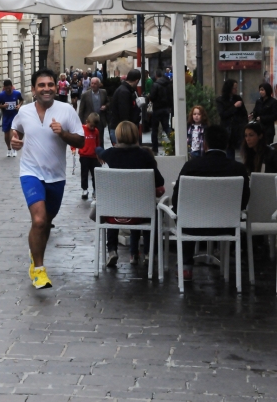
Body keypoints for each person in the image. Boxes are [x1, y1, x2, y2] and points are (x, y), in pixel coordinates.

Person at [11, 68, 85, 289]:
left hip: (56, 177)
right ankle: (40, 271)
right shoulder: (24, 112)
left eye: (50, 85)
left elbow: (81, 142)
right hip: (30, 173)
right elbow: (17, 131)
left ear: (56, 87)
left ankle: (35, 259)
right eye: (41, 85)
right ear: (33, 90)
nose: (47, 89)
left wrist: (63, 134)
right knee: (39, 220)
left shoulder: (66, 110)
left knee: (46, 224)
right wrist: (15, 142)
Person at [172, 124, 250, 282]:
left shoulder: (191, 166)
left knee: (184, 212)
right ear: (227, 144)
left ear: (205, 144)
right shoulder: (238, 169)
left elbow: (177, 199)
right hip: (227, 226)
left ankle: (186, 267)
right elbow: (244, 200)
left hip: (192, 226)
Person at [99, 121, 164, 267]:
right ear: (136, 134)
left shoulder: (109, 154)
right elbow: (159, 180)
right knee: (153, 209)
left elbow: (100, 157)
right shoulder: (144, 156)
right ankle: (149, 252)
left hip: (113, 214)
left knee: (113, 205)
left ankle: (112, 250)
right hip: (140, 214)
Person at [216, 78, 248, 159]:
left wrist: (244, 124)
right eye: (234, 88)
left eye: (236, 87)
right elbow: (223, 114)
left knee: (243, 150)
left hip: (238, 129)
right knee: (229, 151)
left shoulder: (238, 98)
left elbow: (244, 114)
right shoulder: (221, 100)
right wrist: (234, 106)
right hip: (227, 129)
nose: (236, 89)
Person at [109, 68, 142, 145]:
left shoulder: (126, 90)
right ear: (137, 81)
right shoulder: (125, 92)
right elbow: (124, 114)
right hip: (123, 131)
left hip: (123, 129)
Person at [0, 79, 23, 157]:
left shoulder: (17, 93)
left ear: (11, 86)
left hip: (14, 116)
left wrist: (19, 105)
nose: (8, 90)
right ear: (4, 88)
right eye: (6, 88)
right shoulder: (1, 95)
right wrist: (3, 106)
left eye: (9, 88)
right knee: (6, 135)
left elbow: (21, 100)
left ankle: (14, 149)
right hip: (6, 116)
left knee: (12, 133)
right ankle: (9, 149)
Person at [79, 77, 108, 149]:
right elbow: (81, 110)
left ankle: (101, 155)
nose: (93, 85)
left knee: (100, 140)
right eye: (92, 83)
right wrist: (81, 123)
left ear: (99, 84)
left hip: (100, 120)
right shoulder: (85, 95)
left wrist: (106, 106)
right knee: (90, 140)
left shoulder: (103, 92)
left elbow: (108, 102)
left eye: (95, 84)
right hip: (89, 122)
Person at [149, 68, 173, 155]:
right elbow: (171, 96)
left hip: (157, 109)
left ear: (156, 76)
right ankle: (174, 143)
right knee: (167, 127)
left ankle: (155, 149)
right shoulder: (168, 84)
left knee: (154, 130)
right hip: (166, 109)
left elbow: (152, 96)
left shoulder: (155, 85)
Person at [79, 112, 100, 200]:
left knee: (95, 174)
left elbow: (97, 143)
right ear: (87, 122)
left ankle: (95, 190)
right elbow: (77, 139)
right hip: (84, 156)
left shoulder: (96, 131)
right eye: (90, 126)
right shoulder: (82, 129)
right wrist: (73, 148)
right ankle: (84, 189)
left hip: (94, 156)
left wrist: (98, 153)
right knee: (84, 174)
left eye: (93, 127)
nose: (92, 128)